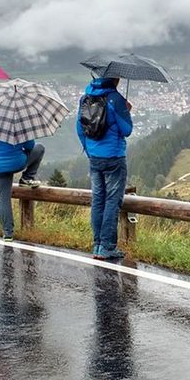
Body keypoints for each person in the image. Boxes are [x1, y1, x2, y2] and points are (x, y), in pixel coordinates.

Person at [76, 76, 133, 260]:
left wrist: (89, 150)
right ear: (114, 80)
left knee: (98, 199)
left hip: (94, 158)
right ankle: (107, 246)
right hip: (114, 157)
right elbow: (127, 130)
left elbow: (80, 128)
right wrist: (127, 110)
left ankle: (97, 245)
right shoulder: (116, 100)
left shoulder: (86, 98)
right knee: (112, 201)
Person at [0, 135, 46, 241]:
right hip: (17, 163)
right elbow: (30, 146)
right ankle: (27, 178)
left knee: (3, 198)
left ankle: (7, 233)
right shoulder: (19, 124)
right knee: (40, 148)